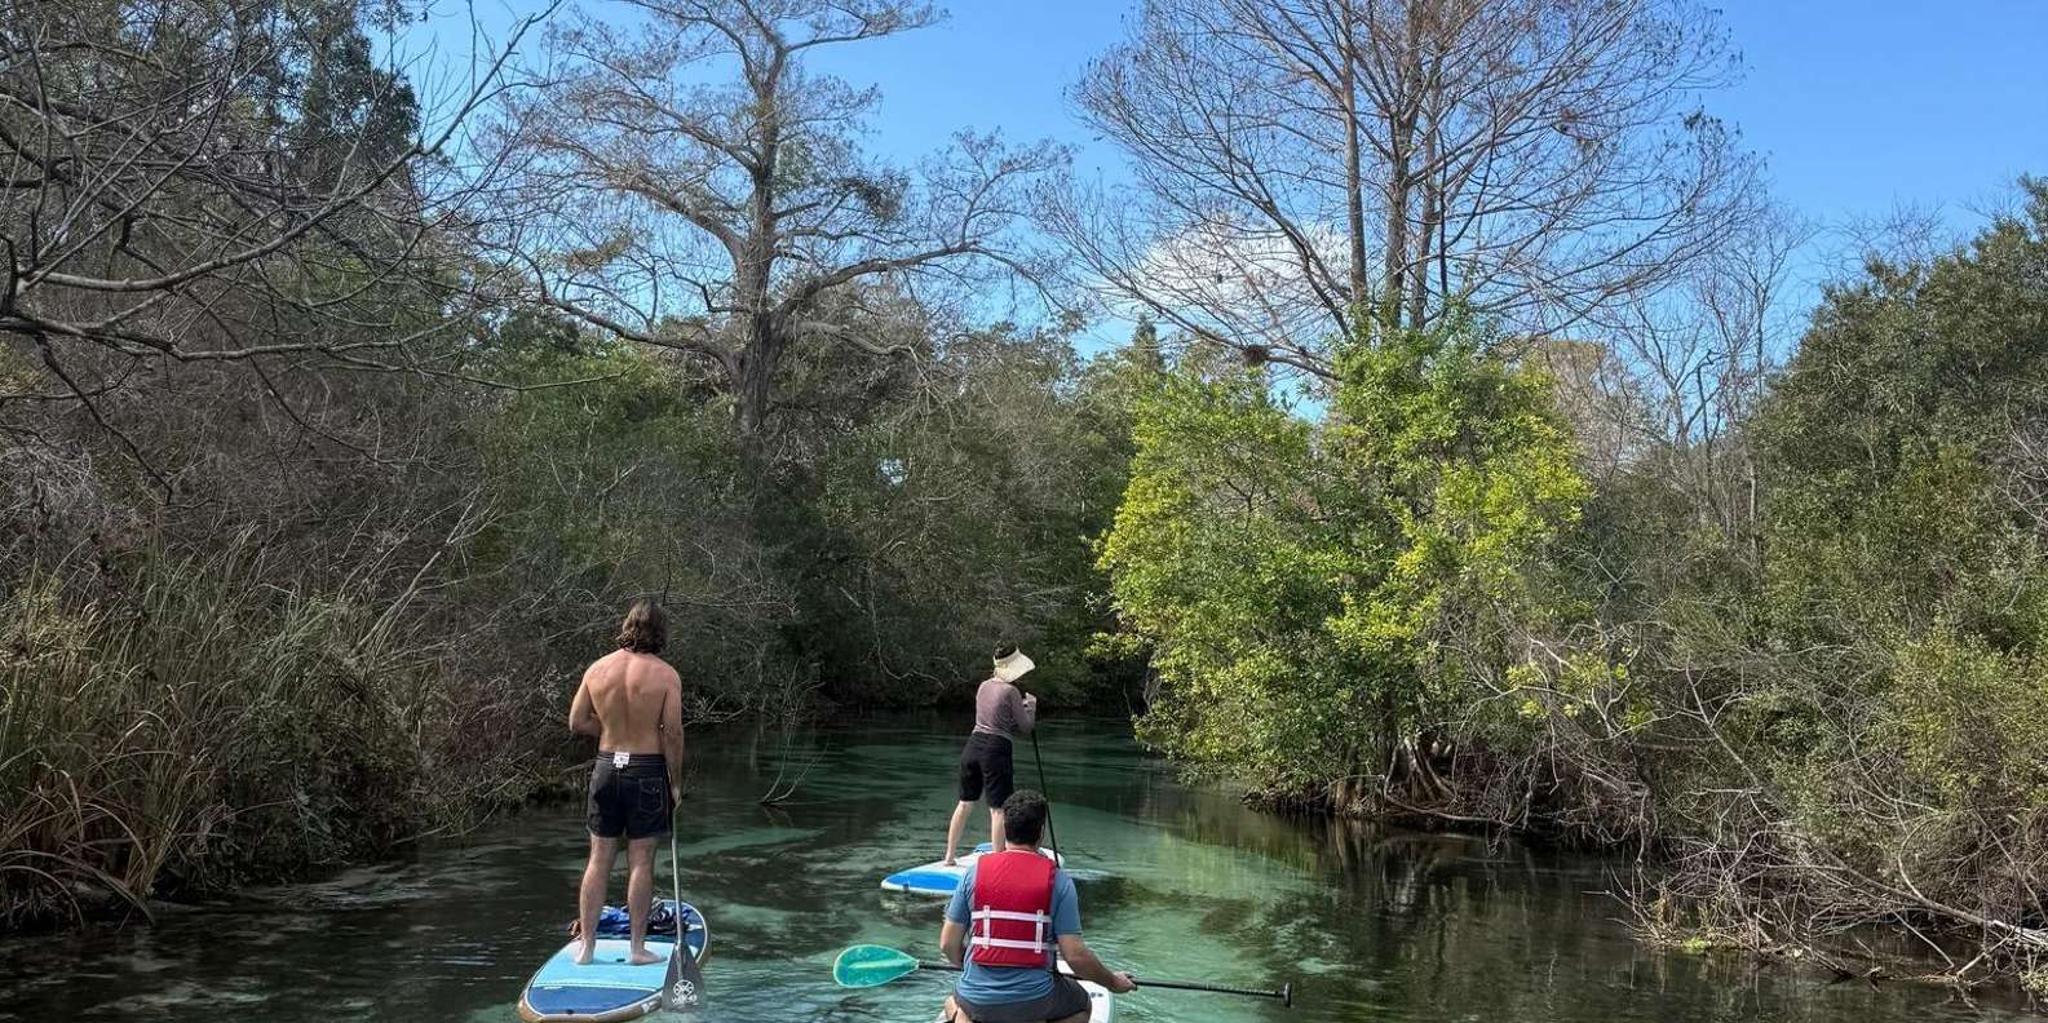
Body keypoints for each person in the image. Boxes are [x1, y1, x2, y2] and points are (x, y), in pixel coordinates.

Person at [939, 790, 1134, 1023]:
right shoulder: (1059, 881)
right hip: (1035, 998)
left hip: (977, 998)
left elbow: (947, 944)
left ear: (1005, 828)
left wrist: (972, 969)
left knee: (952, 1000)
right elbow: (1075, 956)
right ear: (1041, 832)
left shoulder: (973, 873)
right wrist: (1113, 982)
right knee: (1082, 1004)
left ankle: (963, 1018)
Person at [567, 598, 684, 966]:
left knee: (598, 859)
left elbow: (576, 722)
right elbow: (673, 734)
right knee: (640, 861)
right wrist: (675, 783)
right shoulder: (666, 675)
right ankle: (636, 949)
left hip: (605, 767)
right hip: (647, 770)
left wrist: (610, 730)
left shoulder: (597, 669)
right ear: (660, 632)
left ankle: (587, 947)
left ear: (626, 625)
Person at [945, 643, 1038, 866]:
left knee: (965, 803)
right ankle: (998, 864)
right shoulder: (1011, 691)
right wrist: (1031, 708)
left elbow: (993, 715)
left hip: (973, 745)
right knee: (998, 809)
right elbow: (1025, 727)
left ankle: (949, 856)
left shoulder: (983, 686)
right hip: (996, 749)